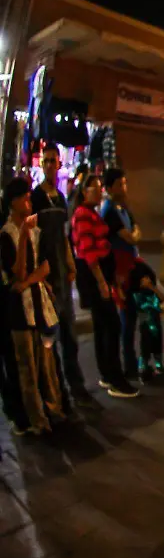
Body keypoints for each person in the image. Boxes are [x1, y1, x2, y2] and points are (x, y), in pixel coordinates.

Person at [30, 145, 92, 408]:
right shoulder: (36, 198)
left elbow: (65, 237)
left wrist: (70, 263)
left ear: (59, 164)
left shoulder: (62, 199)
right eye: (45, 161)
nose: (49, 165)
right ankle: (56, 393)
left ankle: (76, 385)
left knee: (70, 335)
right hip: (46, 277)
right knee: (50, 338)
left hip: (63, 277)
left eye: (53, 161)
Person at [2, 178, 64, 434]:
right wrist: (24, 236)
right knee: (26, 366)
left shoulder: (36, 230)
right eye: (24, 197)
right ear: (13, 202)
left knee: (45, 362)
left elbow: (45, 266)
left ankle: (53, 409)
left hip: (38, 305)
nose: (28, 201)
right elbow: (17, 271)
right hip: (18, 311)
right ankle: (36, 420)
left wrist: (28, 281)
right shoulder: (7, 234)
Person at [71, 175, 139, 398]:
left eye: (100, 188)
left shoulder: (92, 213)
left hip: (102, 277)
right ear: (84, 191)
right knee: (111, 326)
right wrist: (102, 281)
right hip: (95, 279)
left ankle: (107, 374)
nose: (100, 192)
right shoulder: (82, 215)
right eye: (96, 188)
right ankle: (115, 378)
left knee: (103, 326)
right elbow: (89, 253)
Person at [101, 168, 143, 381]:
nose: (124, 188)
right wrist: (134, 235)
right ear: (109, 188)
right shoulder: (109, 210)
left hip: (130, 266)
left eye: (124, 183)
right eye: (120, 184)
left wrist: (134, 235)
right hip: (119, 271)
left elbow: (136, 231)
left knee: (132, 317)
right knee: (126, 318)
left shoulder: (122, 207)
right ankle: (127, 367)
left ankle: (132, 363)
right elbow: (131, 236)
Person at [126, 260, 164, 376]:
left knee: (157, 342)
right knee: (145, 344)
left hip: (156, 322)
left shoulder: (152, 293)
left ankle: (158, 364)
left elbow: (163, 298)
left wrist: (152, 287)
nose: (146, 280)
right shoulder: (136, 294)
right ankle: (144, 366)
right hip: (145, 322)